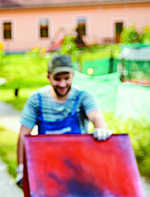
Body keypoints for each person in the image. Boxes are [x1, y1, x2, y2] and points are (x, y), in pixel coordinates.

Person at [16, 53, 112, 187]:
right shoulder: (36, 100)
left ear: (73, 76)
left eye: (66, 78)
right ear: (48, 77)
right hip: (46, 168)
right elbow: (23, 134)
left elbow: (95, 115)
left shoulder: (83, 96)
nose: (62, 84)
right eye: (57, 79)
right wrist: (21, 168)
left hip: (79, 166)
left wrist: (101, 128)